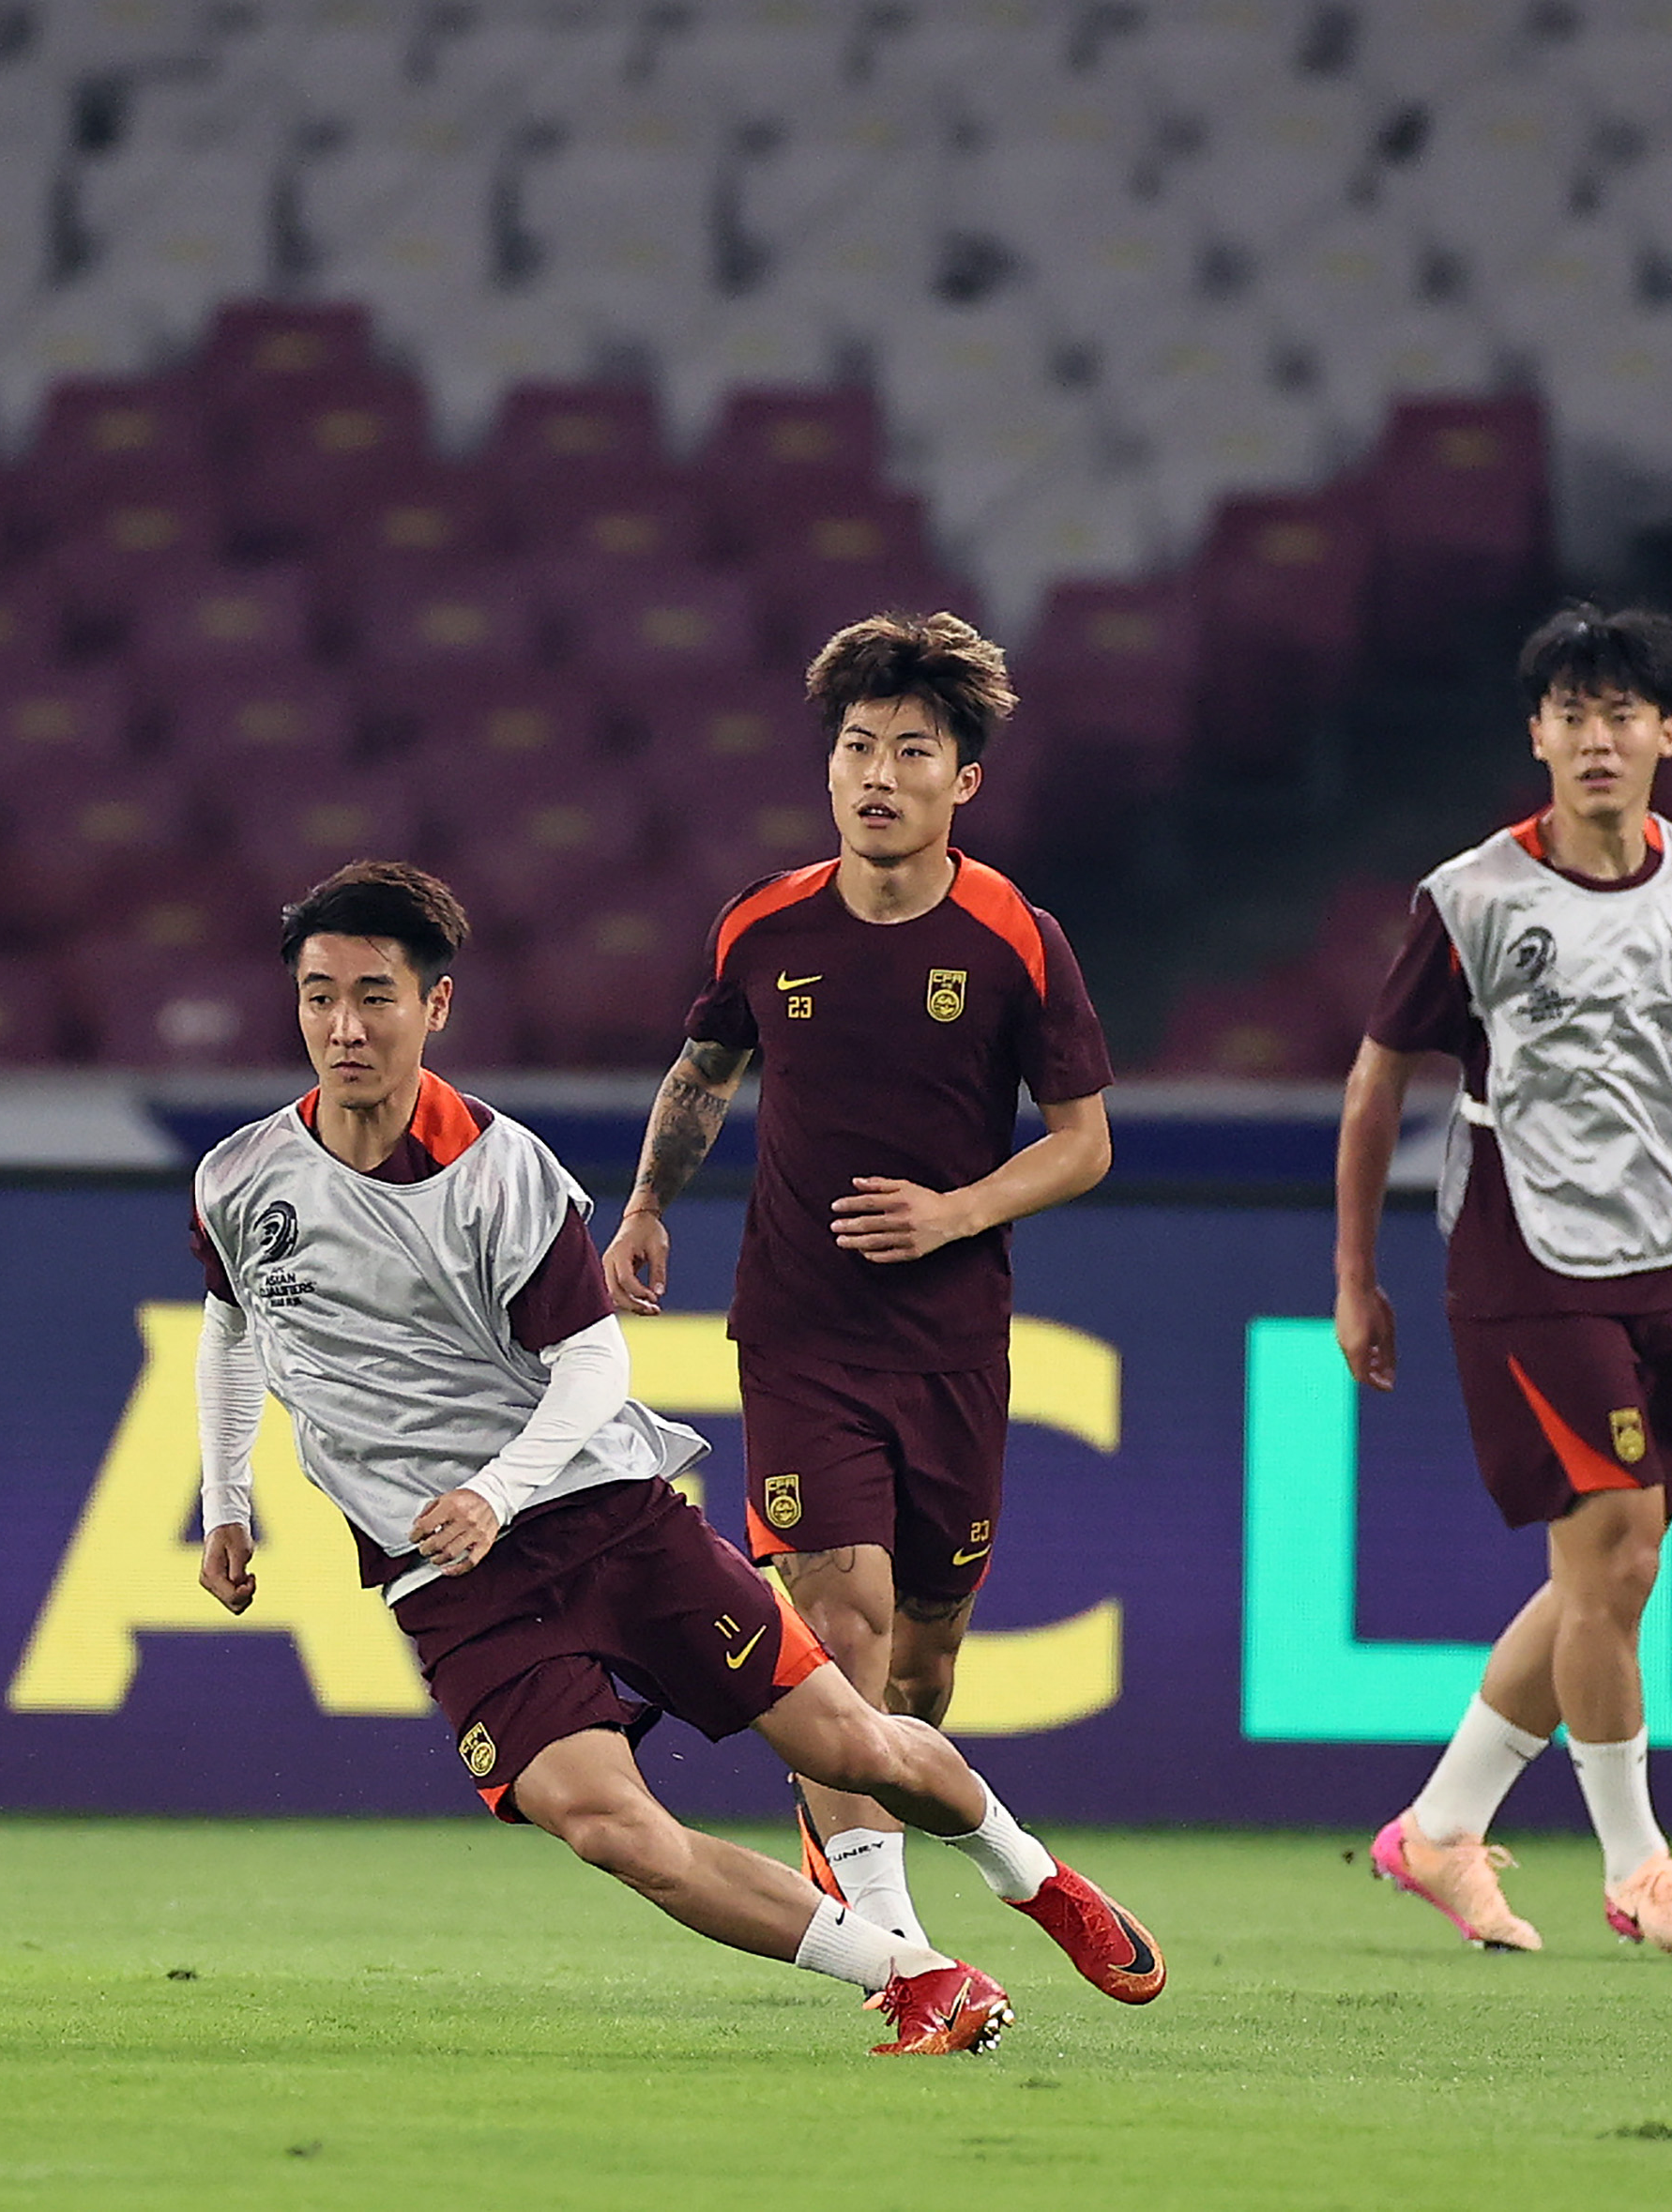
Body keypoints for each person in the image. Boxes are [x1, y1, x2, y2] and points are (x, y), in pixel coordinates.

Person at [192, 860, 1163, 2056]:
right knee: (607, 1828)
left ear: (435, 1006)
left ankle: (1032, 1877)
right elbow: (235, 1318)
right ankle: (918, 1975)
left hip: (602, 1516)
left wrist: (496, 1491)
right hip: (446, 1574)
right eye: (318, 995)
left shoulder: (501, 1174)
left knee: (852, 1741)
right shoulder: (239, 1176)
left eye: (375, 996)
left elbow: (594, 1368)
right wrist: (226, 1495)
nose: (343, 1026)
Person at [1336, 603, 1672, 1957]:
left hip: (1655, 1251)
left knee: (1619, 1568)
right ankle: (1638, 1866)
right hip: (1522, 1252)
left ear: (1667, 734)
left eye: (1620, 713)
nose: (1595, 737)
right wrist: (1355, 1271)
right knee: (1612, 1533)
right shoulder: (1474, 897)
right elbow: (1375, 1079)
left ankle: (1442, 1829)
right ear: (1537, 735)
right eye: (1570, 714)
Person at [600, 611, 1118, 1960]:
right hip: (797, 1332)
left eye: (910, 751)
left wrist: (957, 1209)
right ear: (826, 769)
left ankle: (888, 1866)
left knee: (922, 1662)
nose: (877, 774)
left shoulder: (1021, 937)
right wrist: (650, 1204)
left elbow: (1083, 1143)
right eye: (855, 748)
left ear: (965, 781)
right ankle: (900, 1957)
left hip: (951, 1346)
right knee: (835, 1630)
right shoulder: (765, 925)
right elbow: (706, 1071)